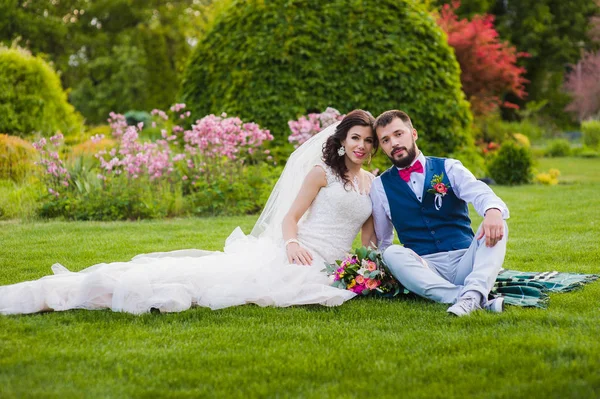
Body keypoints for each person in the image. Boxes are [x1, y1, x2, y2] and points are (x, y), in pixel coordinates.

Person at [0, 110, 377, 315]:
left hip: (337, 266)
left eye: (368, 140)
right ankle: (91, 290)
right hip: (302, 254)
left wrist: (370, 269)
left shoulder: (371, 183)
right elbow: (289, 217)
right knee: (212, 282)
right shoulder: (321, 174)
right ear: (342, 141)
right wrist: (291, 243)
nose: (361, 145)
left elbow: (368, 239)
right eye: (355, 137)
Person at [370, 110, 509, 317]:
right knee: (390, 253)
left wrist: (493, 211)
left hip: (466, 260)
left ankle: (470, 294)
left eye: (399, 134)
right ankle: (471, 297)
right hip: (426, 268)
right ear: (382, 147)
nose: (394, 143)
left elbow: (480, 193)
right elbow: (383, 239)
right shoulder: (379, 186)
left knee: (498, 222)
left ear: (413, 134)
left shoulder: (449, 167)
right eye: (386, 140)